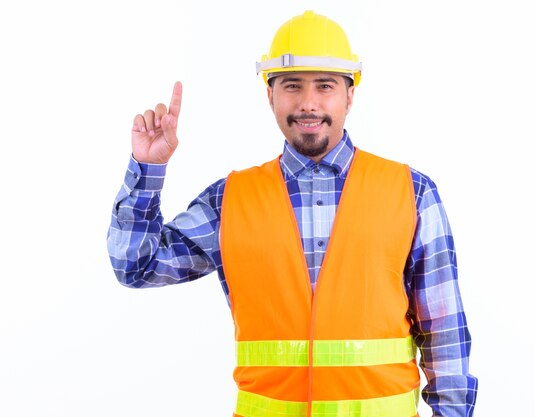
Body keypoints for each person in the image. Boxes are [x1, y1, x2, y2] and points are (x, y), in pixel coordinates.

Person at [107, 10, 477, 417]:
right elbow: (135, 266)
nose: (308, 103)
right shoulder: (230, 200)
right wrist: (147, 168)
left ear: (350, 94)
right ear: (270, 95)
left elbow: (444, 333)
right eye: (292, 86)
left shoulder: (412, 192)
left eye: (325, 86)